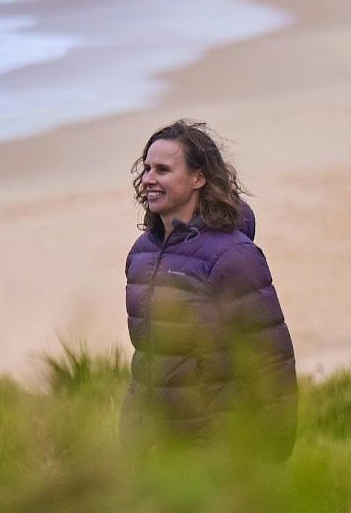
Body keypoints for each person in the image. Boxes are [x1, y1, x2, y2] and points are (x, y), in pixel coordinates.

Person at [122, 119, 296, 458]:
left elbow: (271, 360)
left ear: (198, 178)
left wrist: (273, 456)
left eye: (163, 170)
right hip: (153, 449)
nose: (148, 179)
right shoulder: (142, 255)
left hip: (215, 449)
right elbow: (146, 355)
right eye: (147, 168)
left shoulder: (233, 256)